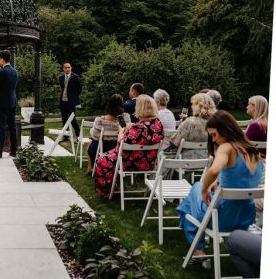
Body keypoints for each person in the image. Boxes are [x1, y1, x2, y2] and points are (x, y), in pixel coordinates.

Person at [177, 110, 263, 260]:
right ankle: (197, 248)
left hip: (221, 218)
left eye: (214, 135)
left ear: (225, 130)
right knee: (193, 200)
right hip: (246, 218)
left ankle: (198, 249)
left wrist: (204, 189)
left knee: (194, 192)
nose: (214, 140)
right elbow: (240, 177)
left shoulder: (227, 148)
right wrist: (217, 183)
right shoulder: (253, 150)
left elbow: (215, 169)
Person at [94, 94, 163, 197]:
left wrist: (122, 131)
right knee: (108, 158)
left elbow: (121, 143)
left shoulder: (138, 128)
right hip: (149, 163)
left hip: (129, 162)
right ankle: (114, 184)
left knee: (102, 160)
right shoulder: (158, 124)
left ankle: (106, 190)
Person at [86, 94, 131, 174]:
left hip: (102, 148)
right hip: (119, 147)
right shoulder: (126, 118)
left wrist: (91, 131)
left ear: (109, 105)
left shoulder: (100, 120)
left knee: (91, 141)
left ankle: (90, 167)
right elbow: (127, 133)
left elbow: (95, 136)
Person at [167, 93, 216, 159]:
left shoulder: (189, 122)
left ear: (197, 106)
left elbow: (174, 142)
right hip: (209, 160)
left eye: (193, 104)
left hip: (186, 162)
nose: (192, 106)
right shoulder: (217, 122)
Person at [59, 62, 82, 137]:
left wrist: (73, 97)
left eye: (68, 67)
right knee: (64, 119)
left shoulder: (75, 77)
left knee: (72, 118)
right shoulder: (61, 78)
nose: (67, 69)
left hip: (71, 102)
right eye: (65, 67)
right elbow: (63, 88)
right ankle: (66, 136)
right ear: (63, 69)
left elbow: (79, 89)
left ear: (71, 68)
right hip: (63, 101)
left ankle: (78, 135)